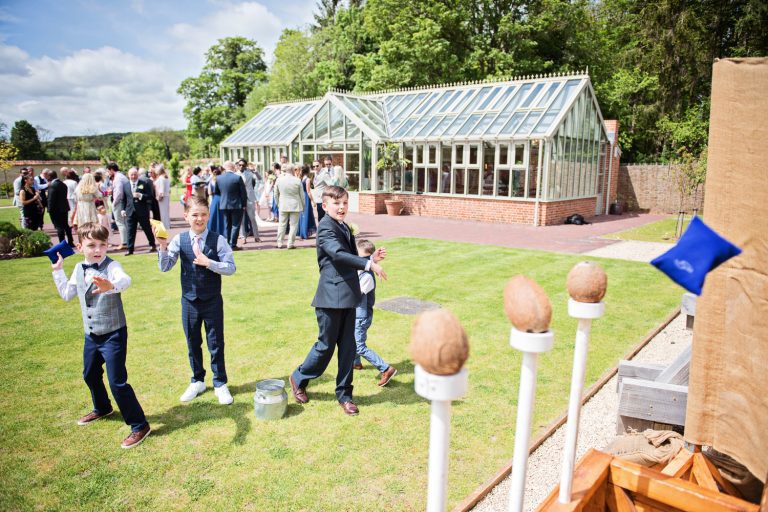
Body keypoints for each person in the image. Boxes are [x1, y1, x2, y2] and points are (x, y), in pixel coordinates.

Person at [50, 223, 150, 448]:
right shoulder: (78, 268)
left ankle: (139, 425)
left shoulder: (112, 266)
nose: (97, 250)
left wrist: (111, 285)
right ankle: (102, 407)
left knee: (117, 382)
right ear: (79, 246)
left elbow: (125, 280)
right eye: (91, 245)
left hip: (113, 333)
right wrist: (58, 271)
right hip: (91, 335)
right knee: (90, 374)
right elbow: (67, 294)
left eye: (102, 245)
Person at [289, 186, 387, 416]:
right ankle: (299, 377)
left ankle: (345, 395)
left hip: (350, 296)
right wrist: (368, 265)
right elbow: (337, 254)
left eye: (344, 202)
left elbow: (348, 257)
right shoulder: (325, 228)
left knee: (348, 348)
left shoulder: (343, 226)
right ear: (325, 206)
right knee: (325, 347)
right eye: (336, 203)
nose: (342, 207)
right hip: (330, 298)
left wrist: (370, 257)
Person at [155, 196, 236, 405]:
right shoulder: (179, 240)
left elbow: (231, 267)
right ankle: (197, 380)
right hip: (189, 300)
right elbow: (165, 267)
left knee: (216, 342)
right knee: (192, 341)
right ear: (186, 216)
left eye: (203, 214)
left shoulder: (218, 240)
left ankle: (220, 383)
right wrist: (162, 247)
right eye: (194, 215)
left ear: (208, 215)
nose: (199, 218)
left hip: (212, 300)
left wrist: (209, 263)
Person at [351, 239, 397, 385]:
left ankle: (385, 369)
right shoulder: (363, 267)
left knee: (359, 345)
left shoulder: (367, 278)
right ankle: (355, 363)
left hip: (361, 317)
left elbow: (355, 294)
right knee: (351, 339)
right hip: (356, 315)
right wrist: (371, 259)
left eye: (361, 258)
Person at [115, 167, 157, 255]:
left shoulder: (144, 183)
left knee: (147, 229)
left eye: (135, 174)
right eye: (131, 175)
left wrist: (140, 195)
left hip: (142, 211)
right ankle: (130, 250)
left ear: (137, 175)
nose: (133, 176)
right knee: (130, 231)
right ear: (128, 175)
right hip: (130, 211)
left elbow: (150, 196)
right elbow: (124, 199)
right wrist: (123, 209)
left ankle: (152, 245)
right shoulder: (126, 185)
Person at [215, 161, 247, 250]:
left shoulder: (218, 178)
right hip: (237, 205)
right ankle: (232, 245)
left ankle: (228, 243)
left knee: (227, 224)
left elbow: (217, 192)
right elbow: (243, 193)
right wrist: (244, 204)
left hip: (224, 204)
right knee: (235, 225)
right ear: (233, 167)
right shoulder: (237, 178)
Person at [274, 163, 304, 249]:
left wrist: (278, 203)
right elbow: (302, 195)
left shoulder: (279, 180)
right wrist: (303, 206)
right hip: (295, 205)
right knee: (293, 225)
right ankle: (290, 243)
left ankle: (279, 242)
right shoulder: (297, 180)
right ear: (292, 170)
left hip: (283, 204)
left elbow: (275, 194)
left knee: (282, 224)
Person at [47, 170, 74, 245]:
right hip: (64, 208)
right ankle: (70, 241)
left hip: (56, 209)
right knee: (66, 225)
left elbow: (51, 199)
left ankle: (62, 243)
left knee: (59, 227)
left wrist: (49, 209)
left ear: (50, 176)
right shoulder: (63, 184)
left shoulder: (53, 186)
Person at [238, 159, 261, 243]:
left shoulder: (250, 173)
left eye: (243, 165)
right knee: (242, 219)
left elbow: (259, 178)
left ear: (245, 166)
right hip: (240, 199)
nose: (241, 166)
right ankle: (243, 237)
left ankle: (256, 236)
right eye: (239, 165)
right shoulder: (236, 174)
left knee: (252, 218)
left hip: (250, 198)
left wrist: (255, 171)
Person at [106, 163, 128, 250]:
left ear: (111, 169)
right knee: (123, 222)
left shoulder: (118, 178)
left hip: (119, 202)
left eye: (108, 171)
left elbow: (119, 193)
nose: (108, 173)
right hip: (123, 201)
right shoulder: (121, 176)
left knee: (120, 222)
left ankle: (124, 242)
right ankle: (126, 241)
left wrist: (114, 203)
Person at [297, 164, 317, 240]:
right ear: (308, 171)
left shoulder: (300, 179)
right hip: (306, 197)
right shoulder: (307, 179)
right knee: (306, 214)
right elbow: (308, 192)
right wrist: (313, 201)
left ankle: (302, 233)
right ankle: (305, 233)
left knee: (302, 215)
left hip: (301, 197)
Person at [155, 165, 171, 230]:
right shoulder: (165, 177)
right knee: (166, 213)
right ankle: (167, 226)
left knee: (163, 213)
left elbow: (161, 189)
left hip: (163, 197)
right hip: (166, 196)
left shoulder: (161, 178)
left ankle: (165, 227)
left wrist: (160, 196)